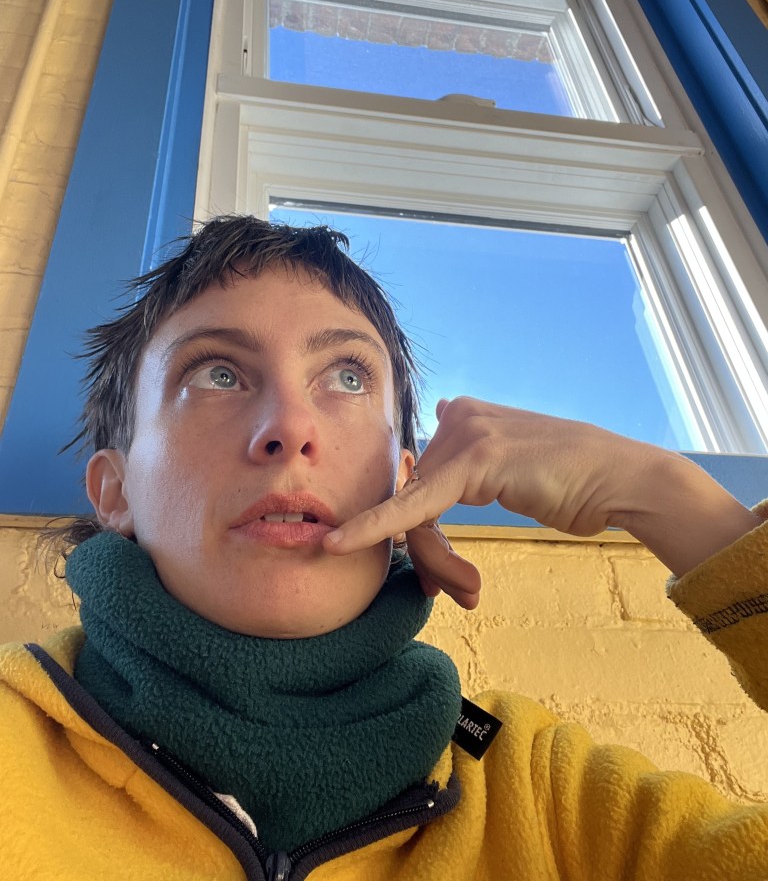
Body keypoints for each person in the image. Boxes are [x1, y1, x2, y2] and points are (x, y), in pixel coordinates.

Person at [2, 214, 767, 880]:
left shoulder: (535, 784)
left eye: (346, 377)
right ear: (115, 491)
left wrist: (666, 494)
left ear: (407, 485)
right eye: (219, 374)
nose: (290, 427)